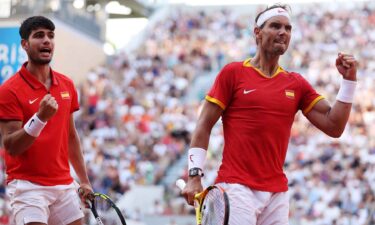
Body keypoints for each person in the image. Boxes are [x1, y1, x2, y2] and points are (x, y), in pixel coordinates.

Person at [181, 4, 358, 225]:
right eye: (275, 26)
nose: (283, 32)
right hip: (236, 188)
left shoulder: (297, 84)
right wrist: (194, 176)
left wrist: (349, 80)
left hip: (277, 194)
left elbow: (334, 126)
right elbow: (203, 125)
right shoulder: (233, 73)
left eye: (288, 28)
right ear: (257, 32)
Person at [0, 16, 93, 225]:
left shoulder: (67, 85)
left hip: (63, 185)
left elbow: (70, 136)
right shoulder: (8, 91)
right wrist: (40, 118)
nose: (47, 41)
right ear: (24, 44)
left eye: (50, 36)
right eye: (39, 36)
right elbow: (11, 146)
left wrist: (84, 181)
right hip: (27, 187)